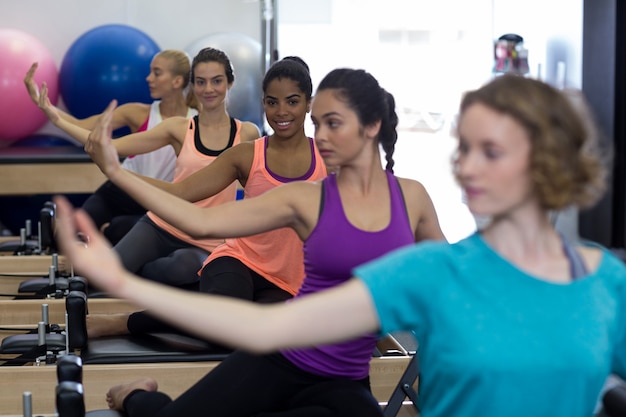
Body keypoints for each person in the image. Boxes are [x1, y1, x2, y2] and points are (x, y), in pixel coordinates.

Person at [56, 67, 445, 416]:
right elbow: (200, 219)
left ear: (372, 124)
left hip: (347, 380)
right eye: (318, 124)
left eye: (333, 124)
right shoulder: (307, 198)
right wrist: (116, 172)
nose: (321, 136)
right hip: (283, 358)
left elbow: (453, 274)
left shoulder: (412, 198)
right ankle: (136, 396)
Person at [87, 56, 330, 338]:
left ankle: (184, 300)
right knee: (223, 325)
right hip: (239, 261)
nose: (281, 111)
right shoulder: (248, 153)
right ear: (263, 102)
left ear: (309, 103)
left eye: (292, 101)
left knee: (256, 335)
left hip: (290, 280)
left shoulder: (328, 159)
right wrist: (115, 171)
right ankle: (122, 323)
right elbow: (181, 193)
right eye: (272, 102)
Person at [40, 47, 260, 288]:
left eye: (216, 81)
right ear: (192, 85)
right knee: (102, 277)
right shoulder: (179, 128)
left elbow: (255, 194)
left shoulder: (247, 133)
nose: (208, 89)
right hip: (162, 224)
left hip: (207, 238)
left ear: (230, 82)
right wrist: (57, 118)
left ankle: (138, 273)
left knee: (184, 269)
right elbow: (112, 146)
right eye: (201, 82)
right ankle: (125, 271)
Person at [24, 50, 199, 244]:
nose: (149, 78)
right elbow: (82, 126)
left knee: (118, 231)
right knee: (74, 230)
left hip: (156, 199)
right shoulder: (137, 113)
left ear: (177, 81)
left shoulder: (194, 123)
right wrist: (43, 103)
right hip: (122, 189)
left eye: (157, 73)